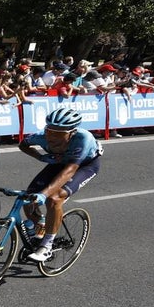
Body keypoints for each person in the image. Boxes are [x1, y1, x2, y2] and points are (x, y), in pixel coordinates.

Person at [17, 108, 101, 262]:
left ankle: (47, 247)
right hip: (59, 162)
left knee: (54, 199)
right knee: (28, 198)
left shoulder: (84, 139)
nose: (52, 137)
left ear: (71, 133)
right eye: (50, 131)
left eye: (59, 133)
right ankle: (40, 223)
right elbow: (22, 145)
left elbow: (70, 170)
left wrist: (44, 194)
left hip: (84, 166)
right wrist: (41, 157)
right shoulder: (40, 137)